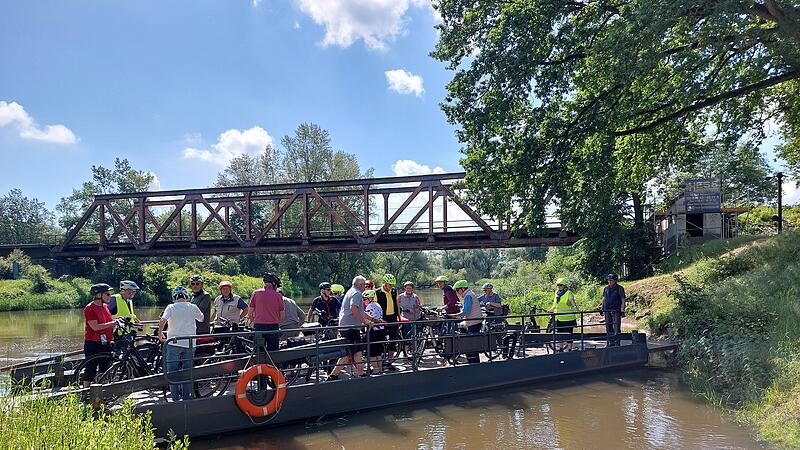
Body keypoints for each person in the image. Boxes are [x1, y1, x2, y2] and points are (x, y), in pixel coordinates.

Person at [328, 276, 380, 380]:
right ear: (360, 285)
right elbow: (353, 308)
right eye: (364, 285)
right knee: (347, 355)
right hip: (350, 329)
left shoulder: (351, 291)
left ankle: (361, 373)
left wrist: (373, 319)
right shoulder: (357, 293)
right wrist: (365, 321)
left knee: (357, 353)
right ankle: (333, 375)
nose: (365, 287)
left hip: (349, 328)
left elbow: (360, 311)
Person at [158, 286, 204, 401]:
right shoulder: (193, 307)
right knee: (187, 372)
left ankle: (175, 399)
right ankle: (186, 398)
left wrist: (160, 333)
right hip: (189, 343)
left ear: (174, 297)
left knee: (172, 373)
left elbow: (163, 320)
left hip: (173, 343)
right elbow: (201, 318)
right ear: (186, 297)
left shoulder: (171, 307)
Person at [82, 283, 116, 387]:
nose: (110, 296)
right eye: (107, 294)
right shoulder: (90, 308)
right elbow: (95, 327)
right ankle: (85, 391)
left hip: (105, 341)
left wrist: (117, 322)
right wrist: (111, 324)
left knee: (105, 368)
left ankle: (102, 391)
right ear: (99, 295)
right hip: (93, 342)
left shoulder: (105, 306)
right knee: (90, 368)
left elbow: (109, 322)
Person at [248, 272, 285, 351]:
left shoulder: (255, 293)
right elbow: (282, 315)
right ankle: (273, 363)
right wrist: (277, 322)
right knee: (274, 352)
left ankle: (259, 363)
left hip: (259, 327)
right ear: (273, 283)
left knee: (258, 352)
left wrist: (254, 321)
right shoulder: (278, 295)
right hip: (273, 327)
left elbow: (250, 312)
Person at [453, 280, 484, 364]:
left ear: (462, 289)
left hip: (473, 322)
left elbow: (466, 312)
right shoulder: (470, 293)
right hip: (476, 321)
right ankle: (473, 362)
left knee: (471, 345)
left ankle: (473, 363)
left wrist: (455, 315)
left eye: (457, 290)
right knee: (472, 344)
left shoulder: (468, 296)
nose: (457, 292)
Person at [375, 274, 400, 370]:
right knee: (381, 339)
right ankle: (380, 361)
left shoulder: (394, 291)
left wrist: (399, 317)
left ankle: (390, 362)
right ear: (385, 283)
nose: (391, 287)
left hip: (392, 317)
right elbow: (375, 306)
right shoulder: (377, 292)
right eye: (390, 284)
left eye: (392, 285)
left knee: (393, 339)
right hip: (382, 318)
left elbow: (397, 304)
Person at [596, 273, 626, 347]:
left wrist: (622, 309)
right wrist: (601, 308)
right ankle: (610, 343)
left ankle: (617, 344)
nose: (609, 282)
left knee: (616, 327)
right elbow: (604, 299)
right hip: (607, 310)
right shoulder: (606, 288)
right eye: (608, 280)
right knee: (608, 327)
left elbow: (623, 300)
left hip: (616, 310)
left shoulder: (620, 288)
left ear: (615, 280)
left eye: (611, 280)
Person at [549, 278, 578, 352]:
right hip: (559, 318)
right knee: (560, 335)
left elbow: (573, 302)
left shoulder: (569, 293)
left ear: (564, 286)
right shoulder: (556, 293)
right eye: (557, 285)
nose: (559, 286)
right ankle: (561, 349)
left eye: (560, 285)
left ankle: (569, 350)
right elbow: (555, 304)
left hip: (569, 319)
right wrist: (551, 309)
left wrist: (577, 310)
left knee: (569, 335)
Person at [362, 289, 385, 374]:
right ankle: (380, 370)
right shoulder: (377, 304)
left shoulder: (370, 306)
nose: (364, 301)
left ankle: (375, 370)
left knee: (371, 353)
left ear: (370, 298)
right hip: (381, 330)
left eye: (365, 299)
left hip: (373, 331)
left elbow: (366, 318)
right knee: (378, 353)